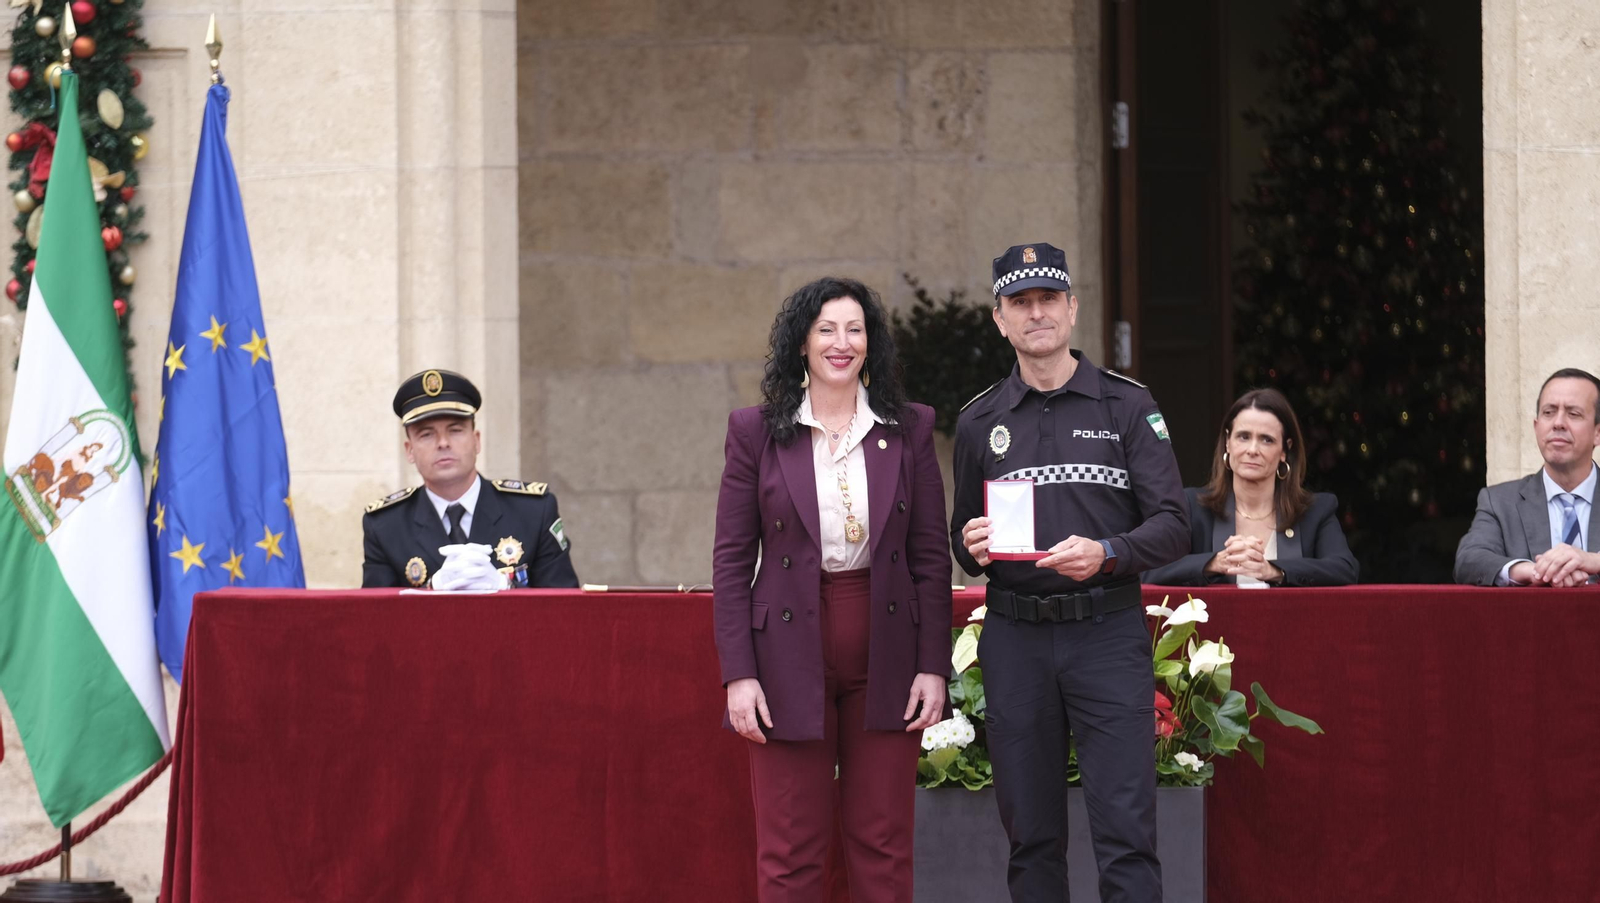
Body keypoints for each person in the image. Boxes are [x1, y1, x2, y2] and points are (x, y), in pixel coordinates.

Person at [952, 242, 1188, 902]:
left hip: (1106, 632)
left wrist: (1107, 552)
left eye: (1048, 299)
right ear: (1000, 319)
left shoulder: (1126, 404)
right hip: (1016, 638)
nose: (1037, 313)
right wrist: (970, 543)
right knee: (1030, 839)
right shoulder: (979, 420)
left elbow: (1175, 523)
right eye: (1021, 302)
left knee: (1127, 834)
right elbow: (962, 539)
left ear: (1073, 308)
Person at [712, 276, 952, 902]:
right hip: (785, 650)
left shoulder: (909, 427)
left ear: (871, 343)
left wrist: (933, 666)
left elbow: (930, 555)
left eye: (854, 329)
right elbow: (731, 561)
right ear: (802, 342)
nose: (841, 343)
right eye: (826, 330)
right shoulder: (755, 430)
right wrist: (739, 674)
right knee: (789, 850)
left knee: (883, 844)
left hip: (887, 645)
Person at [362, 368, 579, 589]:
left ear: (476, 441)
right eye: (426, 434)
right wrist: (430, 589)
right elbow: (375, 608)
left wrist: (505, 587)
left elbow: (564, 601)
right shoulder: (386, 526)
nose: (443, 443)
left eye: (455, 430)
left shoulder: (533, 511)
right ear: (409, 450)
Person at [1143, 388, 1358, 586]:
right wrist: (1214, 563)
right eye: (1243, 437)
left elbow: (1345, 570)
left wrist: (1274, 570)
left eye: (1267, 440)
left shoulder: (1316, 511)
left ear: (1285, 450)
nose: (1252, 449)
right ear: (1228, 442)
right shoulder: (1192, 506)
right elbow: (1148, 570)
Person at [1454, 367, 1600, 586]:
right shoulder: (1499, 502)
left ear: (1598, 432)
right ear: (1536, 427)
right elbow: (1468, 560)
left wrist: (1594, 560)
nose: (1558, 423)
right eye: (1549, 412)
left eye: (1573, 414)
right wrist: (1532, 571)